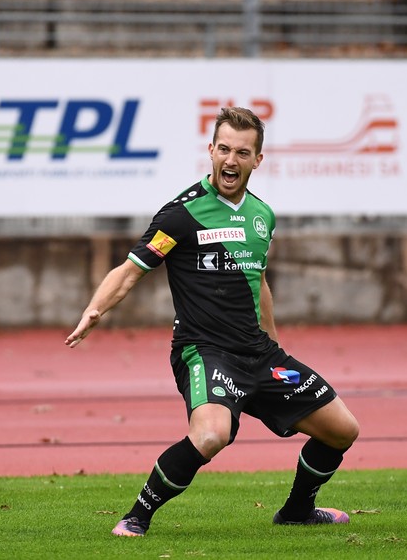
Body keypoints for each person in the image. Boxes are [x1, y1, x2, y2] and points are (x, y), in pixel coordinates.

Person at [65, 106, 360, 537]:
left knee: (343, 430)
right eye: (223, 149)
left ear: (257, 160)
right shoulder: (181, 214)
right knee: (210, 436)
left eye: (242, 152)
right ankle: (136, 517)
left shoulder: (263, 216)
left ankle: (297, 510)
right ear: (210, 150)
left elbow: (257, 281)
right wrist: (96, 309)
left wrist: (275, 345)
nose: (230, 160)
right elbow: (131, 269)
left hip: (259, 353)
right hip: (204, 351)